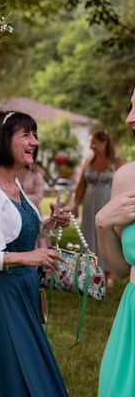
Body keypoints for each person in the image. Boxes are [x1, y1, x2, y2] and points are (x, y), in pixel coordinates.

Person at [0, 110, 70, 397]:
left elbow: (16, 234)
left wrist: (49, 225)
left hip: (23, 292)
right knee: (10, 372)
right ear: (3, 140)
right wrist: (24, 258)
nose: (34, 141)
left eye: (34, 134)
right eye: (26, 135)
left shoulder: (14, 185)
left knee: (29, 365)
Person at [96, 86, 135, 397]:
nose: (128, 119)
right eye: (130, 107)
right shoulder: (127, 178)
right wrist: (102, 225)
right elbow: (121, 270)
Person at [74, 130, 124, 286]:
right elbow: (81, 186)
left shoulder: (116, 163)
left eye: (94, 143)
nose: (91, 146)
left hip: (108, 203)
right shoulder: (88, 162)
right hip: (89, 204)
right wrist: (75, 205)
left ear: (105, 143)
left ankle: (109, 274)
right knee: (89, 235)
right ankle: (89, 272)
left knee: (108, 236)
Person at [19, 160, 47, 248]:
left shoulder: (35, 175)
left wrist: (18, 197)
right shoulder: (9, 173)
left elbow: (39, 196)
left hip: (32, 211)